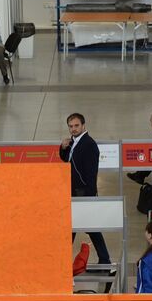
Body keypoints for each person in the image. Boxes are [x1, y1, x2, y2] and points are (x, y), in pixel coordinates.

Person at [60, 113, 111, 266]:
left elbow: (91, 173)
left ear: (83, 126)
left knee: (80, 227)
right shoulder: (73, 142)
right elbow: (67, 159)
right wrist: (62, 148)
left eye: (76, 126)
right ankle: (104, 260)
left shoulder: (88, 144)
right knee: (86, 227)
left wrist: (88, 197)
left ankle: (104, 260)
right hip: (75, 191)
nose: (73, 129)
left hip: (83, 193)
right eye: (70, 126)